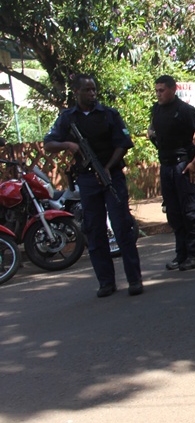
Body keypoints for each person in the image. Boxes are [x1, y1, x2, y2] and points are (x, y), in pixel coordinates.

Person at [44, 74, 143, 297]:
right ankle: (106, 282)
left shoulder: (109, 114)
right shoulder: (67, 118)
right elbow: (48, 144)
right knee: (94, 230)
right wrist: (68, 144)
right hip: (87, 180)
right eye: (87, 90)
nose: (92, 94)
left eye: (94, 89)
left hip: (111, 175)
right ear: (76, 92)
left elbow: (123, 143)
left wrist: (107, 167)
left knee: (122, 227)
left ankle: (134, 279)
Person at [147, 75, 195, 272]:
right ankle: (181, 254)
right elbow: (154, 129)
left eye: (162, 90)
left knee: (190, 212)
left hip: (183, 166)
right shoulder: (157, 109)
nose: (158, 94)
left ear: (173, 89)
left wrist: (194, 163)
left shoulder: (185, 110)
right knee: (174, 212)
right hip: (166, 166)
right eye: (156, 90)